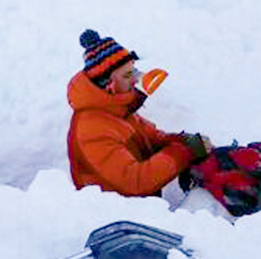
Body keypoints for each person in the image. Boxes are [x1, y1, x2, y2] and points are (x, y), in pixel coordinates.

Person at [66, 29, 208, 199]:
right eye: (127, 75)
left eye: (133, 71)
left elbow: (152, 137)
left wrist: (180, 141)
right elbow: (135, 180)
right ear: (107, 85)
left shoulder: (117, 109)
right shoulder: (91, 127)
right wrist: (184, 152)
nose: (135, 79)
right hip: (116, 216)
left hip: (140, 207)